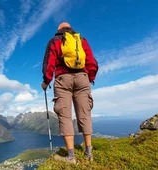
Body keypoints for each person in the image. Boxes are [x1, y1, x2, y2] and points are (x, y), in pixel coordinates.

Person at [41, 22, 98, 164]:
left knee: (65, 115)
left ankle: (71, 157)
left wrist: (46, 81)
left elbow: (49, 64)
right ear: (70, 29)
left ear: (58, 29)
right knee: (85, 113)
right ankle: (88, 152)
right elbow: (92, 62)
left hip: (63, 79)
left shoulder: (54, 41)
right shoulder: (81, 40)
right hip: (82, 78)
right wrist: (90, 77)